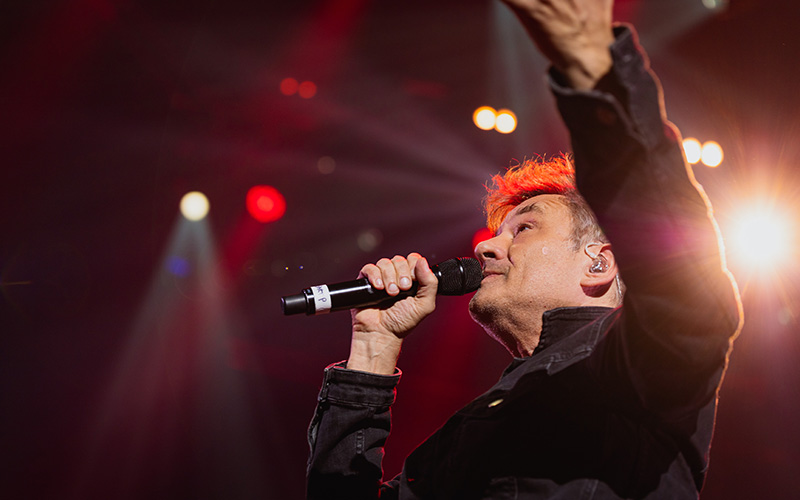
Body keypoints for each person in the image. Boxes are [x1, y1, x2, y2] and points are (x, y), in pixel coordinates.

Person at [306, 0, 743, 498]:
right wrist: (373, 347)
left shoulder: (637, 367)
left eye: (524, 229)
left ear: (598, 261)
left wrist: (594, 72)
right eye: (498, 231)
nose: (489, 245)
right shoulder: (471, 425)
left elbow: (678, 270)